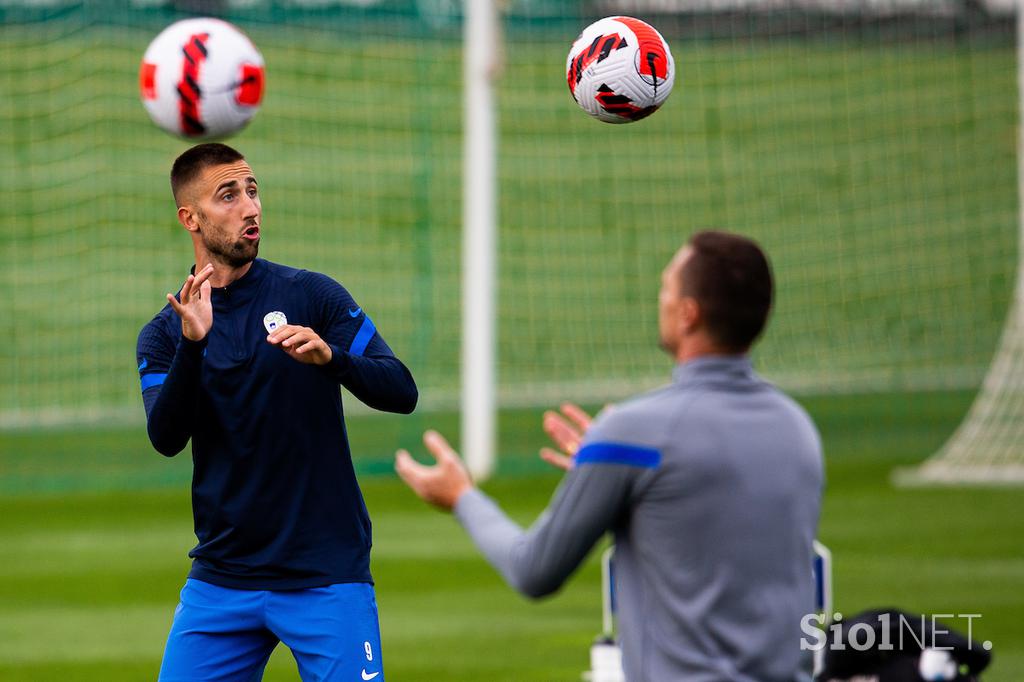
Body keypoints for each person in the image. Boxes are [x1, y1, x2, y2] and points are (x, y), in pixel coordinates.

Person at [395, 230, 824, 681]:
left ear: (688, 314)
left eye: (665, 287)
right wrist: (609, 467)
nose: (659, 299)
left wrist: (462, 496)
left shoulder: (634, 434)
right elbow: (703, 500)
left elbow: (534, 570)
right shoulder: (797, 428)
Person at [136, 142, 417, 682]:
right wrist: (194, 345)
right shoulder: (166, 333)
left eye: (252, 190)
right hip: (222, 581)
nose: (250, 206)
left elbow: (401, 390)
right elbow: (166, 437)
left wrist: (332, 358)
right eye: (229, 195)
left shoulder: (312, 296)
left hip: (326, 575)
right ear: (189, 218)